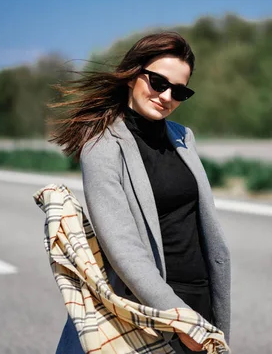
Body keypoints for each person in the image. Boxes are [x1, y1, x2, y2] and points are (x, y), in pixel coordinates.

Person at [49, 31, 231, 353]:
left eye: (179, 91)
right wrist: (177, 316)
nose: (166, 96)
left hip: (199, 297)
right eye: (158, 83)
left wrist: (201, 311)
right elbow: (123, 247)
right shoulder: (102, 146)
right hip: (153, 306)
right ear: (134, 75)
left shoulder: (183, 137)